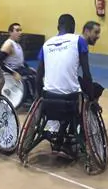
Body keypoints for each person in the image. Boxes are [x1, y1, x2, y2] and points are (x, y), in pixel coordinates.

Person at [36, 14, 96, 157]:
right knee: (90, 91)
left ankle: (59, 138)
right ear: (74, 28)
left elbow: (38, 76)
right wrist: (92, 99)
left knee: (62, 98)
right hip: (70, 100)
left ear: (58, 27)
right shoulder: (79, 41)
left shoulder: (46, 44)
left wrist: (38, 98)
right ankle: (76, 135)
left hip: (48, 98)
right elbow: (87, 74)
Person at [0, 23, 37, 100]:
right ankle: (32, 99)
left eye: (20, 30)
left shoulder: (17, 44)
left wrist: (29, 67)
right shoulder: (8, 44)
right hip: (11, 71)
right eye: (17, 30)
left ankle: (35, 98)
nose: (20, 32)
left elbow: (19, 60)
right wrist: (13, 73)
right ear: (10, 32)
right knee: (31, 77)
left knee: (35, 74)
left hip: (19, 68)